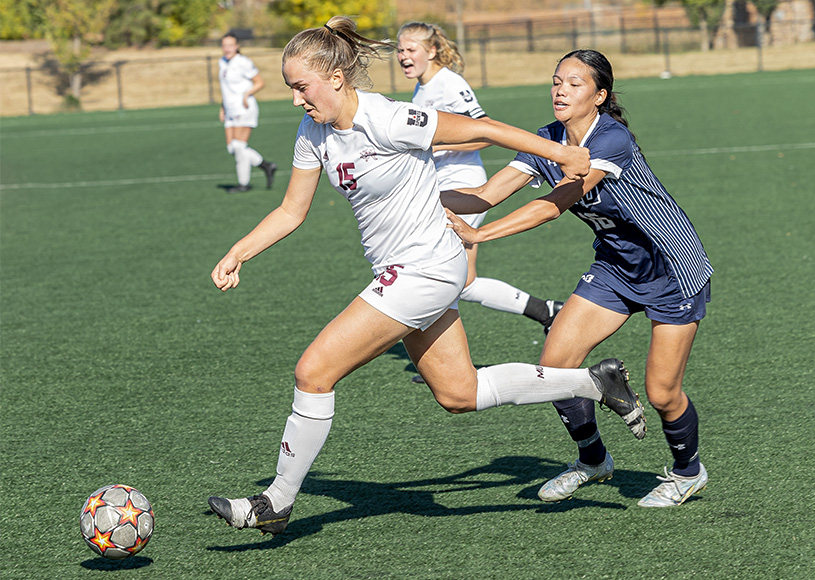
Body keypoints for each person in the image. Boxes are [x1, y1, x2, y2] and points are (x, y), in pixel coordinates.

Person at [207, 18, 646, 536]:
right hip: (408, 271)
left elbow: (482, 129)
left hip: (426, 269)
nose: (298, 99)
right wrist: (239, 251)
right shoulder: (313, 132)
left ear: (335, 77)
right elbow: (290, 211)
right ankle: (593, 382)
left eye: (302, 87)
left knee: (313, 370)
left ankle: (276, 502)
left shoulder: (389, 118)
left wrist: (562, 153)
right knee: (459, 393)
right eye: (292, 89)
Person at [444, 49, 712, 508]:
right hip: (613, 267)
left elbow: (556, 203)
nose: (560, 90)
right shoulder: (548, 140)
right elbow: (484, 195)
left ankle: (688, 473)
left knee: (661, 392)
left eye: (574, 83)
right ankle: (593, 460)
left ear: (599, 95)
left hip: (671, 269)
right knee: (555, 368)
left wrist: (480, 234)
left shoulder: (611, 139)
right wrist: (417, 195)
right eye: (556, 81)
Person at [397, 22, 563, 334]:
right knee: (465, 281)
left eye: (410, 49)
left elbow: (485, 131)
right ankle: (547, 311)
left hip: (462, 184)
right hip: (442, 183)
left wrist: (437, 143)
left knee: (434, 269)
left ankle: (441, 359)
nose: (403, 56)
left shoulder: (448, 83)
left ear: (431, 51)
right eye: (400, 50)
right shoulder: (423, 87)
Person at [218, 32, 278, 193]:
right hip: (230, 110)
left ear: (237, 46)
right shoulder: (222, 62)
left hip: (244, 108)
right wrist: (223, 107)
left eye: (230, 45)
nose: (227, 48)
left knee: (239, 146)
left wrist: (246, 94)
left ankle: (243, 183)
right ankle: (266, 165)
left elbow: (259, 82)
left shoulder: (243, 62)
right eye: (224, 45)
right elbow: (226, 89)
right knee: (232, 148)